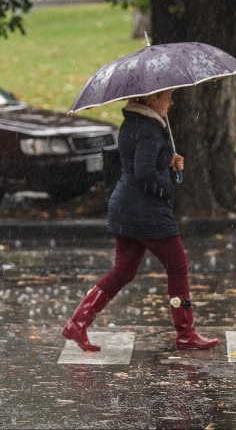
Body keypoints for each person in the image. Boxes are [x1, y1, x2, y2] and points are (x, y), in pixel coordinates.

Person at [61, 89, 220, 352]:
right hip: (146, 211)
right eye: (166, 96)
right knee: (178, 266)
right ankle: (185, 333)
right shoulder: (149, 129)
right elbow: (144, 173)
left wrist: (168, 162)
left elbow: (138, 160)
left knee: (123, 271)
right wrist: (168, 185)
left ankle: (77, 323)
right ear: (151, 100)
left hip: (126, 206)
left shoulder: (133, 123)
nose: (171, 100)